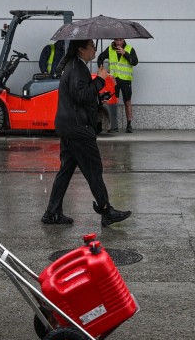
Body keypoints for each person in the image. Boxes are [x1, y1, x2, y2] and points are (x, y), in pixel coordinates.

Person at [41, 38, 132, 227]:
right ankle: (106, 210)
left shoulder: (76, 66)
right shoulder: (76, 68)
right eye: (92, 46)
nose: (95, 50)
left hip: (70, 126)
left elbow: (81, 96)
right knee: (94, 169)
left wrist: (99, 98)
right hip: (78, 128)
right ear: (81, 49)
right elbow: (80, 94)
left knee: (65, 171)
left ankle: (52, 213)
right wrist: (100, 79)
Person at [98, 38, 138, 133]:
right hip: (113, 80)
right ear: (114, 40)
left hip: (125, 80)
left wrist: (125, 53)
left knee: (127, 101)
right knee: (111, 102)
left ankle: (129, 124)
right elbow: (100, 57)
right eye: (117, 40)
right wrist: (101, 67)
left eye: (120, 40)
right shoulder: (110, 49)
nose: (119, 42)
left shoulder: (129, 48)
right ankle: (112, 125)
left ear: (123, 40)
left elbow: (135, 62)